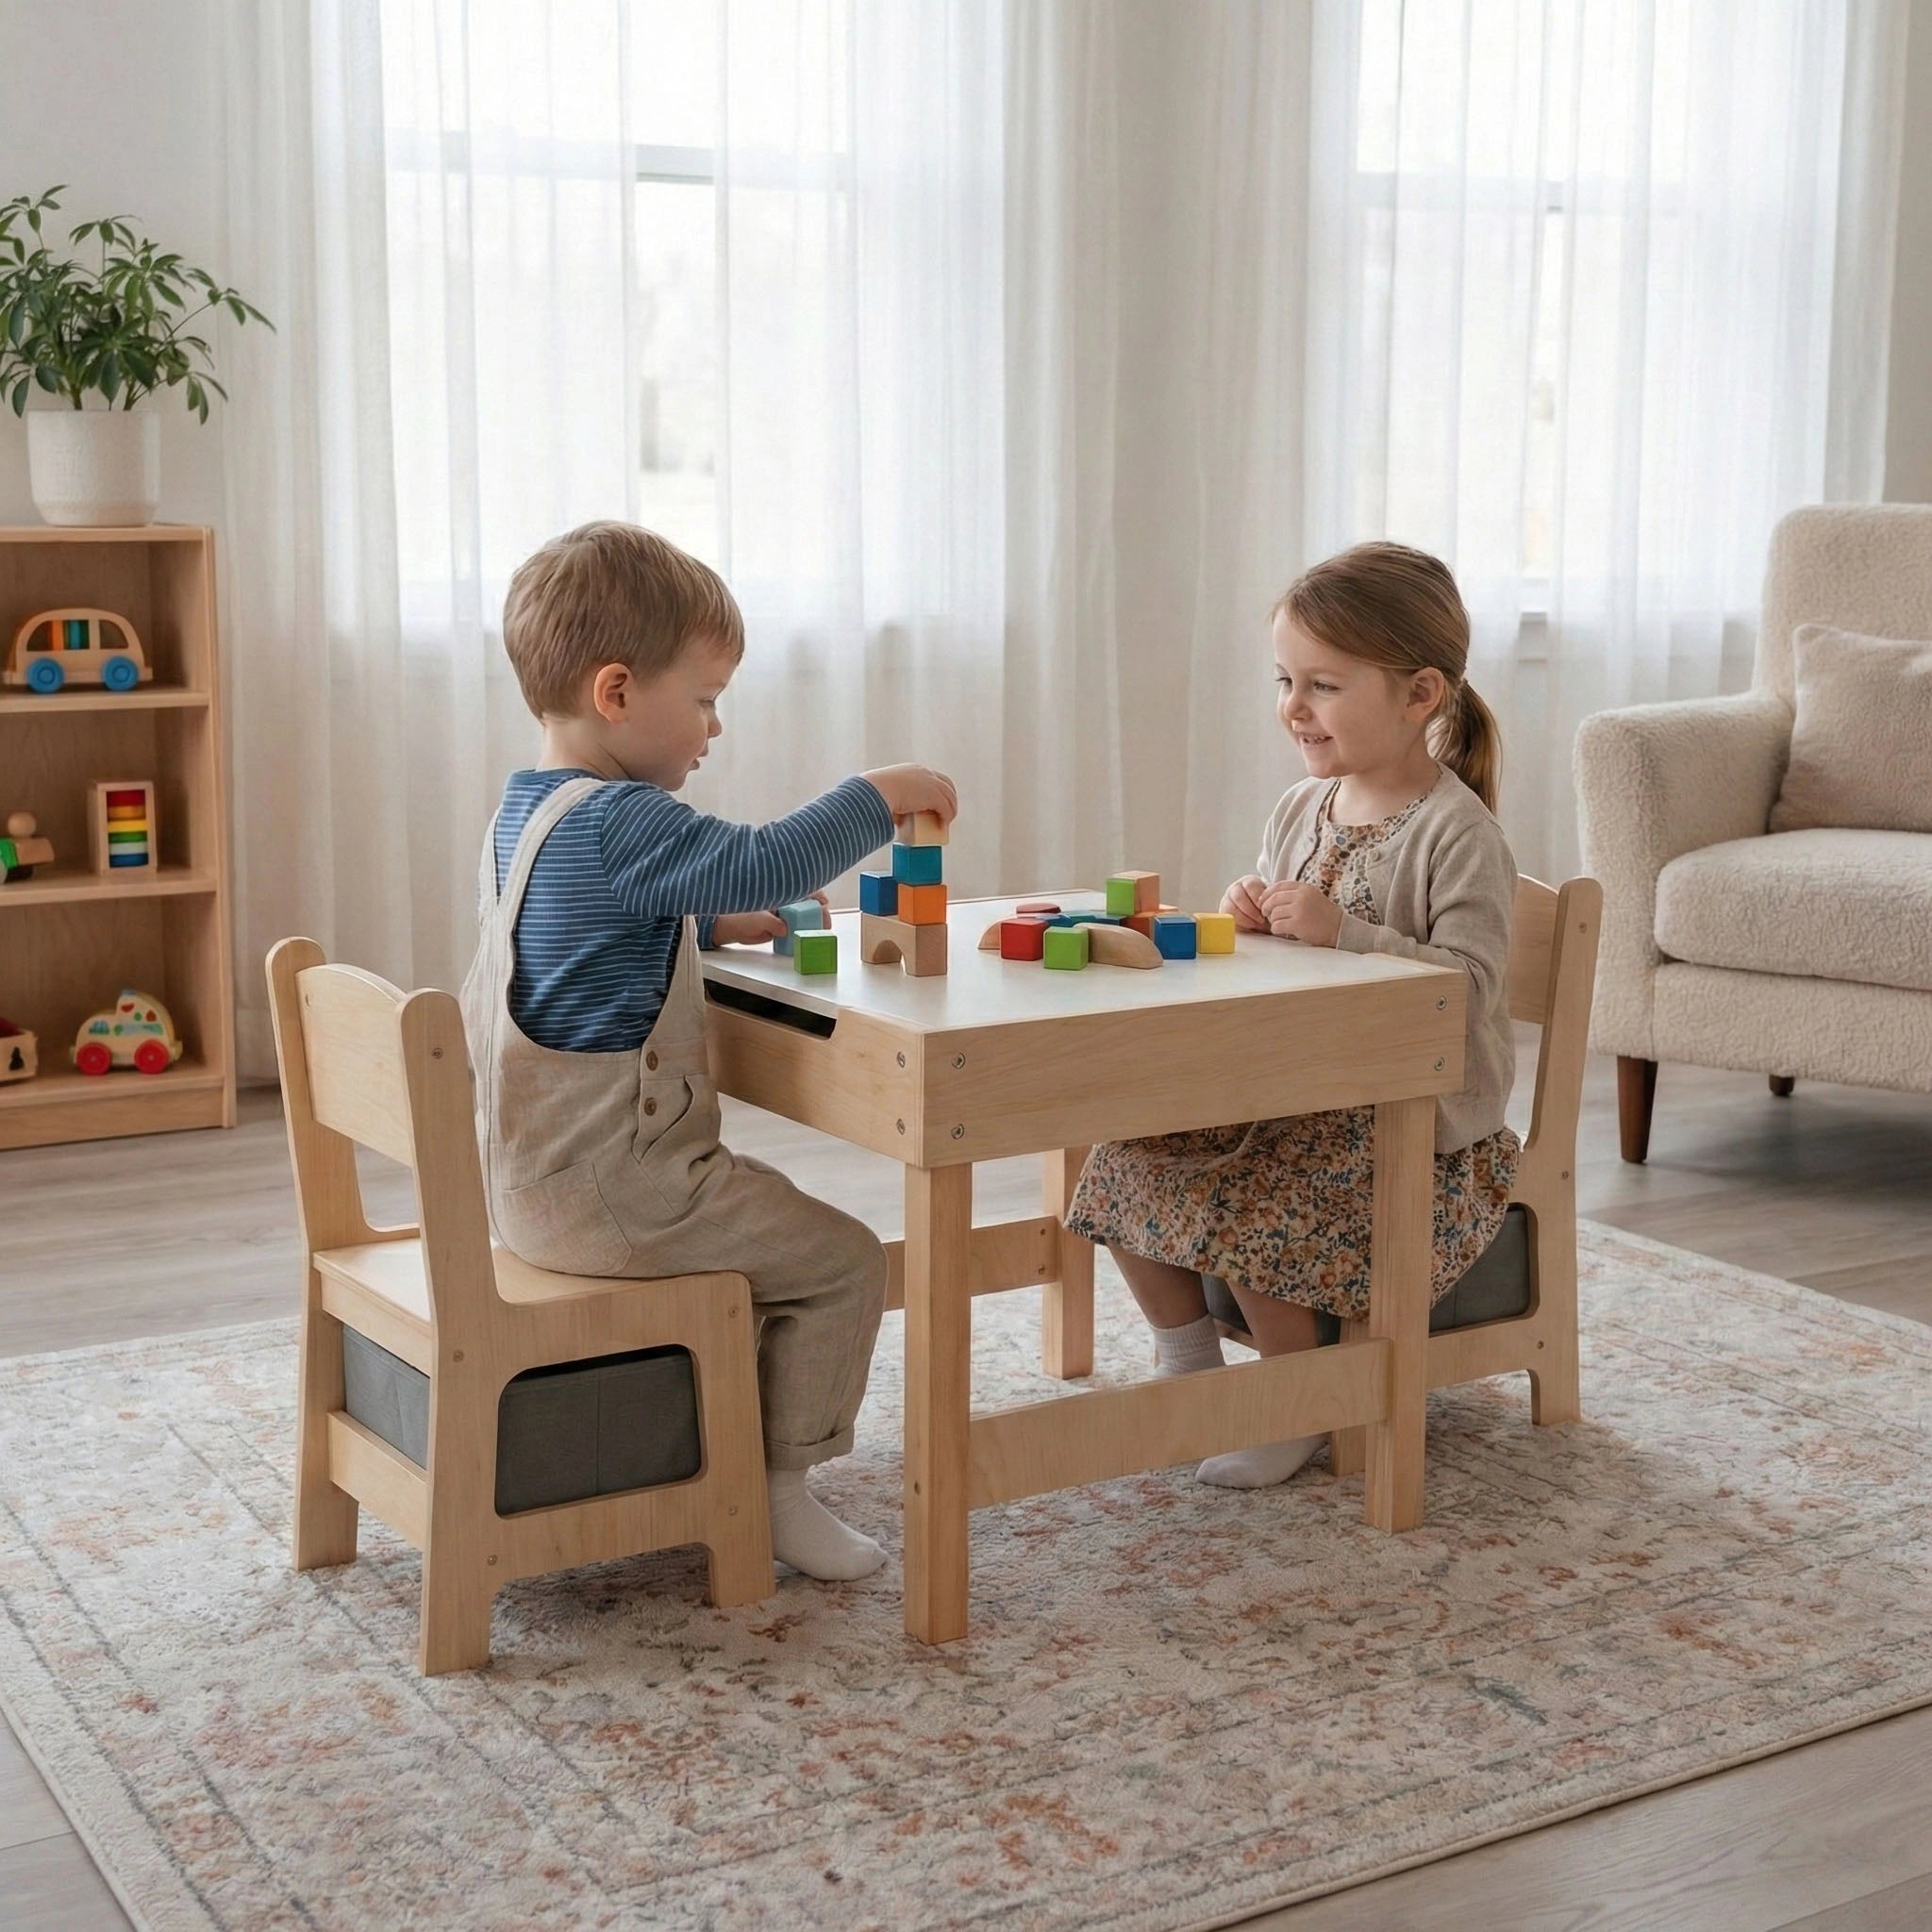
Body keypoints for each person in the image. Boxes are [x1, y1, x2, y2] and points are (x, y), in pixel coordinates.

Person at [462, 520, 957, 1577]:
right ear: (615, 693)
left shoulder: (529, 812)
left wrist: (695, 924)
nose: (715, 726)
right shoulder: (623, 822)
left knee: (788, 1234)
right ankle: (780, 1490)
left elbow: (575, 939)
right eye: (703, 698)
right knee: (842, 1261)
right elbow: (765, 856)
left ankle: (742, 1446)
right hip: (620, 1193)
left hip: (524, 1186)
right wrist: (882, 790)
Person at [1067, 541, 1519, 1488]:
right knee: (1124, 1143)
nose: (1293, 706)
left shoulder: (1457, 832)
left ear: (1419, 693)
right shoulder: (1298, 807)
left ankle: (1295, 1402)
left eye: (1321, 683)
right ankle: (1187, 1362)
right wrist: (1252, 919)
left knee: (1269, 1183)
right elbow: (1282, 967)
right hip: (1291, 1081)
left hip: (1413, 1123)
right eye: (1283, 679)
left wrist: (1346, 933)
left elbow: (1469, 992)